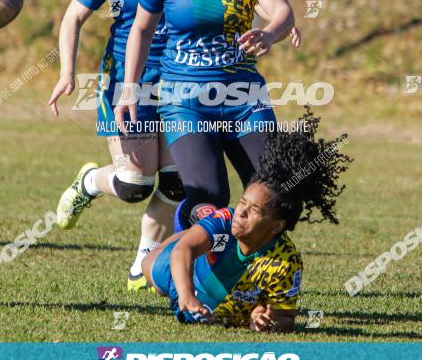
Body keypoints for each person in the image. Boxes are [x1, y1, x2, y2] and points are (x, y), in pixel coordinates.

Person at [116, 0, 297, 229]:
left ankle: (256, 271)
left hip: (244, 99)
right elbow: (142, 31)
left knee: (275, 194)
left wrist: (269, 32)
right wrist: (129, 89)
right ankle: (194, 270)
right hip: (186, 103)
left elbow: (281, 12)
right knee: (210, 200)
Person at [48, 0, 185, 292]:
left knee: (179, 181)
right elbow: (72, 18)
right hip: (129, 82)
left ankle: (143, 261)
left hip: (184, 78)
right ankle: (89, 181)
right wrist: (68, 71)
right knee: (134, 185)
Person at [142, 110, 349, 330]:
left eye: (254, 211)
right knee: (156, 271)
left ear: (277, 225)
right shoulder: (226, 220)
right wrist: (186, 294)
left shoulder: (284, 262)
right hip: (181, 273)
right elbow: (182, 251)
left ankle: (198, 233)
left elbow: (285, 318)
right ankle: (191, 230)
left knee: (208, 299)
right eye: (242, 203)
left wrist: (265, 322)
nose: (241, 212)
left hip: (216, 301)